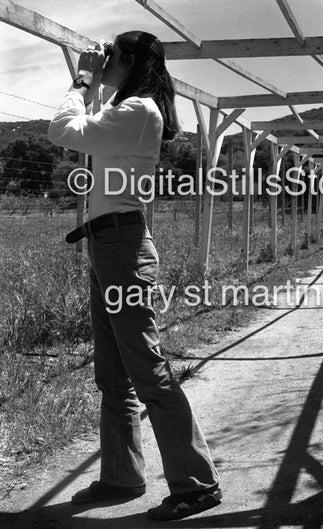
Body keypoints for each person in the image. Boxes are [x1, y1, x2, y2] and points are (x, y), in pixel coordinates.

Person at [48, 31, 221, 521]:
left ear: (127, 60)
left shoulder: (140, 111)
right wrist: (97, 84)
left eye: (112, 57)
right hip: (109, 245)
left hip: (123, 248)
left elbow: (63, 129)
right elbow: (87, 124)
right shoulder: (128, 112)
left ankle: (197, 483)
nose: (106, 65)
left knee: (146, 369)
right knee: (114, 374)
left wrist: (84, 77)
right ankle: (122, 476)